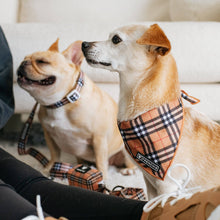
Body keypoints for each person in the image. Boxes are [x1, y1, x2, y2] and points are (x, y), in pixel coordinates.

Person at [0, 26, 220, 220]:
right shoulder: (144, 125)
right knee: (32, 184)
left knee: (32, 183)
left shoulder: (162, 126)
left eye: (116, 40)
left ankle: (157, 213)